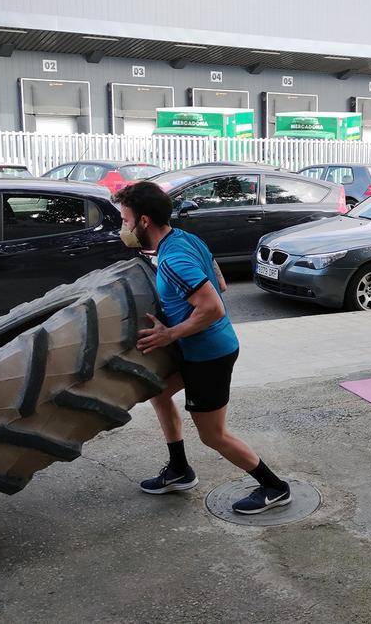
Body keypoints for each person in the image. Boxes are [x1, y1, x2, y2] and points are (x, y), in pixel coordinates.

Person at [114, 181, 292, 515]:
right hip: (201, 347)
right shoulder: (183, 239)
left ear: (144, 222)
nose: (123, 228)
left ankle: (274, 487)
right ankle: (179, 470)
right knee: (160, 393)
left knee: (213, 435)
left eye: (126, 221)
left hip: (209, 355)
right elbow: (220, 282)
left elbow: (213, 307)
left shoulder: (173, 260)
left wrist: (171, 334)